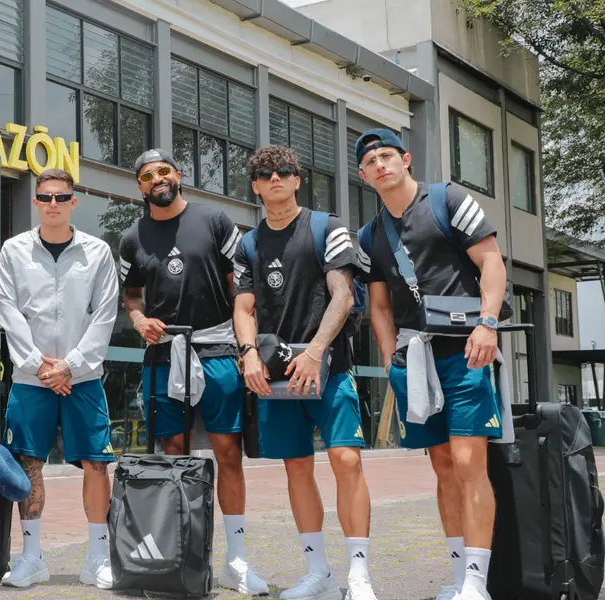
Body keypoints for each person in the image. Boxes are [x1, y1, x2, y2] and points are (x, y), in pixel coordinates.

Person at [354, 129, 507, 600]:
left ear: (406, 159)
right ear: (363, 176)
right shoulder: (369, 235)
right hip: (413, 357)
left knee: (468, 462)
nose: (380, 165)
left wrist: (487, 324)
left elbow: (492, 262)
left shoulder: (448, 200)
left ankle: (477, 583)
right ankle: (459, 576)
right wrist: (389, 357)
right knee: (442, 466)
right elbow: (379, 305)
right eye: (370, 162)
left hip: (465, 350)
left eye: (386, 156)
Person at [118, 148, 268, 595]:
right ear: (140, 186)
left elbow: (241, 288)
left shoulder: (215, 220)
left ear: (178, 175)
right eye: (147, 176)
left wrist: (246, 346)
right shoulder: (131, 237)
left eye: (163, 171)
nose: (157, 179)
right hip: (164, 355)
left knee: (227, 452)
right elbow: (131, 295)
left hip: (218, 350)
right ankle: (176, 556)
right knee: (173, 454)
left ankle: (236, 561)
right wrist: (139, 320)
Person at [232, 145, 377, 600]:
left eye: (283, 171)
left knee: (346, 461)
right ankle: (319, 574)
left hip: (328, 369)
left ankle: (359, 574)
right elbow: (244, 308)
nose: (274, 178)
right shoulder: (248, 244)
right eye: (265, 174)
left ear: (297, 180)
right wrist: (248, 354)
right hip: (278, 377)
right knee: (296, 467)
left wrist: (315, 352)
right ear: (256, 187)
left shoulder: (327, 228)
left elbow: (343, 296)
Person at [0, 168, 120, 590]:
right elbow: (7, 311)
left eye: (61, 197)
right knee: (29, 464)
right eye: (45, 197)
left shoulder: (97, 252)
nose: (53, 204)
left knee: (97, 464)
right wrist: (39, 365)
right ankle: (32, 558)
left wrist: (72, 365)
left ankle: (97, 558)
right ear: (35, 201)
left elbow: (105, 314)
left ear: (73, 202)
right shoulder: (13, 250)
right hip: (32, 379)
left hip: (84, 378)